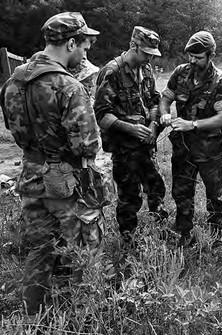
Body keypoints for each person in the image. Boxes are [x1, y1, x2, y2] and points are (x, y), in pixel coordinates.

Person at [0, 12, 102, 315]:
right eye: (83, 46)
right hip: (67, 180)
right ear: (70, 42)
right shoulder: (68, 86)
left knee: (39, 249)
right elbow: (86, 144)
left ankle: (34, 316)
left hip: (31, 175)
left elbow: (14, 130)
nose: (85, 53)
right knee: (84, 249)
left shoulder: (13, 81)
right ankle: (86, 316)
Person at [159, 31, 222, 251]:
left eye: (198, 57)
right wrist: (164, 113)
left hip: (210, 150)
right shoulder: (180, 73)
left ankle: (217, 237)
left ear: (210, 55)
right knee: (181, 192)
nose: (193, 60)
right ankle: (184, 234)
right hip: (183, 148)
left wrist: (194, 124)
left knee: (214, 196)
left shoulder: (221, 81)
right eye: (191, 56)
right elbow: (166, 98)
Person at [94, 26, 167, 246]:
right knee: (129, 196)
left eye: (152, 55)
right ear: (133, 46)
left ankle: (161, 229)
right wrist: (130, 128)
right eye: (146, 54)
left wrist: (154, 126)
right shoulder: (112, 72)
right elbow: (101, 115)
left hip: (146, 144)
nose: (149, 59)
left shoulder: (146, 70)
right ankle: (128, 240)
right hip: (124, 149)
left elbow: (155, 101)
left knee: (156, 186)